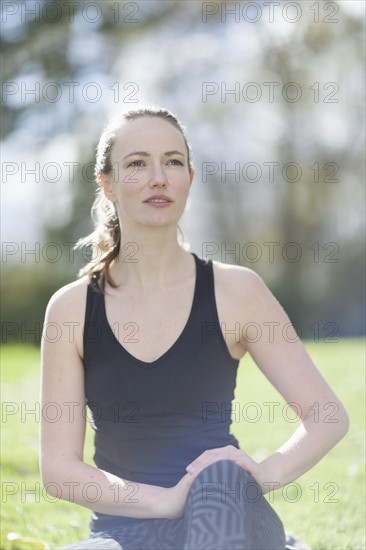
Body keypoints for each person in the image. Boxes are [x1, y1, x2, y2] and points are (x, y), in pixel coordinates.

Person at [40, 107, 349, 550]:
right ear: (107, 184)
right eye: (137, 163)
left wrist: (262, 474)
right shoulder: (70, 310)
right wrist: (165, 501)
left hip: (227, 513)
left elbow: (327, 415)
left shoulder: (236, 291)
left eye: (173, 161)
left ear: (190, 178)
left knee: (218, 481)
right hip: (127, 531)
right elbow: (59, 470)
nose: (158, 177)